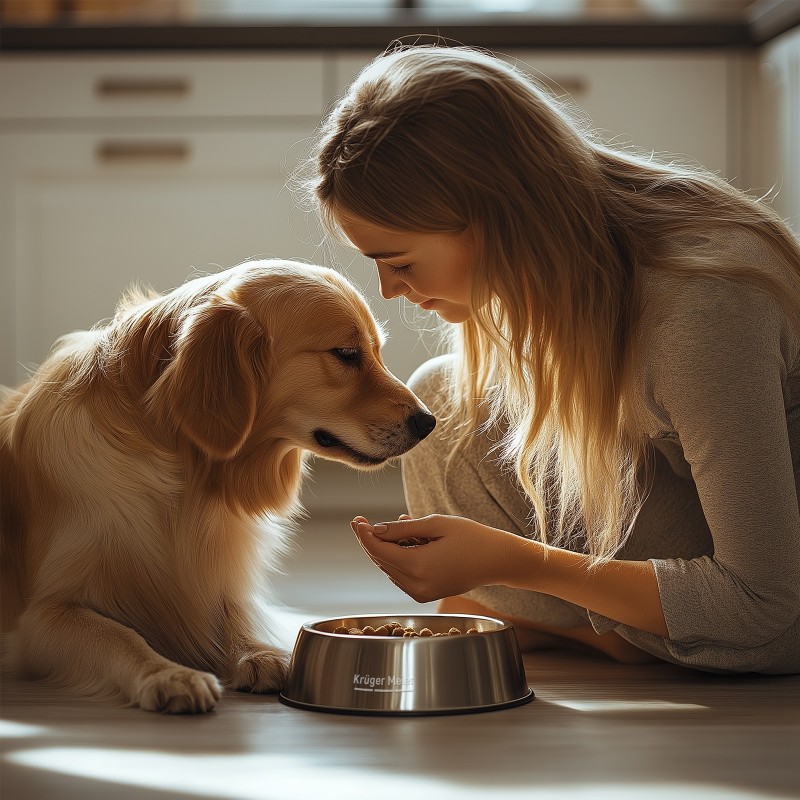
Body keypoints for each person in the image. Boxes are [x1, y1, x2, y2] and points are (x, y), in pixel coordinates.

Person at [303, 44, 800, 674]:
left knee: (457, 422)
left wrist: (509, 561)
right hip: (717, 558)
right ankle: (585, 623)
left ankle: (597, 635)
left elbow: (768, 600)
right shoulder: (568, 262)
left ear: (494, 215)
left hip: (778, 611)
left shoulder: (698, 309)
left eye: (398, 261)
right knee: (445, 400)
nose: (390, 291)